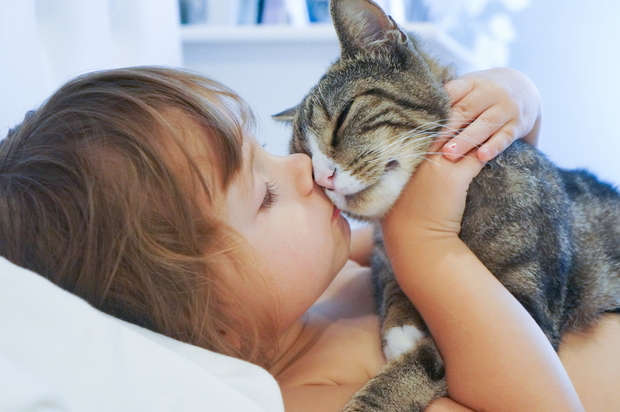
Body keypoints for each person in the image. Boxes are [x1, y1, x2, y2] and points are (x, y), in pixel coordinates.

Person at [0, 66, 618, 412]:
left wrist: (515, 104)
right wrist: (428, 252)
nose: (302, 166)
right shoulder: (315, 396)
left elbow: (524, 233)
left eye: (266, 150)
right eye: (264, 195)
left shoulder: (337, 262)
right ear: (219, 328)